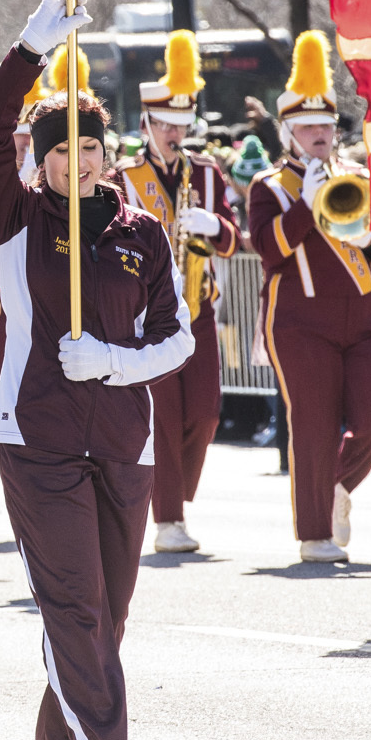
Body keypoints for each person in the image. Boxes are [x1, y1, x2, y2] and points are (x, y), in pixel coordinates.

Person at [0, 0, 192, 740]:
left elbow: (179, 339)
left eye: (89, 148)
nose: (77, 162)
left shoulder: (139, 231)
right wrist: (30, 48)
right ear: (43, 157)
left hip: (125, 439)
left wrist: (114, 360)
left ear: (106, 150)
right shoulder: (17, 218)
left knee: (110, 609)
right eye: (61, 151)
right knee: (73, 600)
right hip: (37, 436)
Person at [244, 32, 371, 563]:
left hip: (361, 316)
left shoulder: (360, 178)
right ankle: (314, 533)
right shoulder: (268, 188)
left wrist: (368, 239)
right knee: (312, 425)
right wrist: (304, 206)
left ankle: (334, 488)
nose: (319, 135)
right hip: (299, 320)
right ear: (289, 134)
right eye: (308, 127)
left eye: (326, 126)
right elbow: (270, 252)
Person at [116, 29, 241, 554]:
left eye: (180, 126)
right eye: (164, 124)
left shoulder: (207, 173)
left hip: (200, 304)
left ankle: (171, 498)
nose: (173, 134)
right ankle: (168, 519)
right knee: (163, 416)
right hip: (149, 316)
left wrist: (214, 226)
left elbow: (235, 239)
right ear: (146, 125)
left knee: (206, 412)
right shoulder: (123, 177)